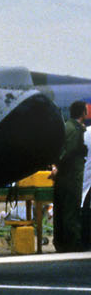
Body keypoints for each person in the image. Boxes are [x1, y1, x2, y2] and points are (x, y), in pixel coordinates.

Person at [52, 102, 89, 252]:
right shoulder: (75, 129)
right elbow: (70, 152)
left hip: (63, 176)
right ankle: (72, 242)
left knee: (60, 209)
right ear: (83, 113)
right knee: (71, 209)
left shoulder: (65, 127)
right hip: (71, 175)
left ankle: (60, 242)